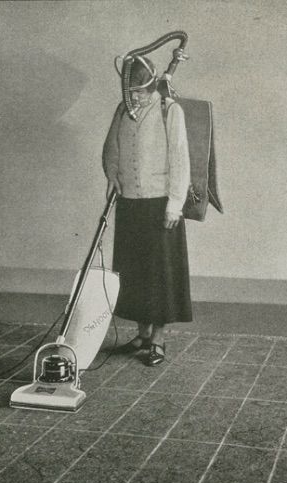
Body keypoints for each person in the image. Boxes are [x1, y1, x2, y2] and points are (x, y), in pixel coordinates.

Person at [102, 55, 192, 366]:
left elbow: (180, 159)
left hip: (160, 204)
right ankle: (141, 334)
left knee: (160, 275)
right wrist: (113, 176)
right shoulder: (123, 111)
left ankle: (158, 338)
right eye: (129, 92)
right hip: (130, 202)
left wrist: (175, 204)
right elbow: (111, 146)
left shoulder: (170, 110)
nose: (134, 97)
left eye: (139, 92)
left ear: (151, 87)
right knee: (134, 272)